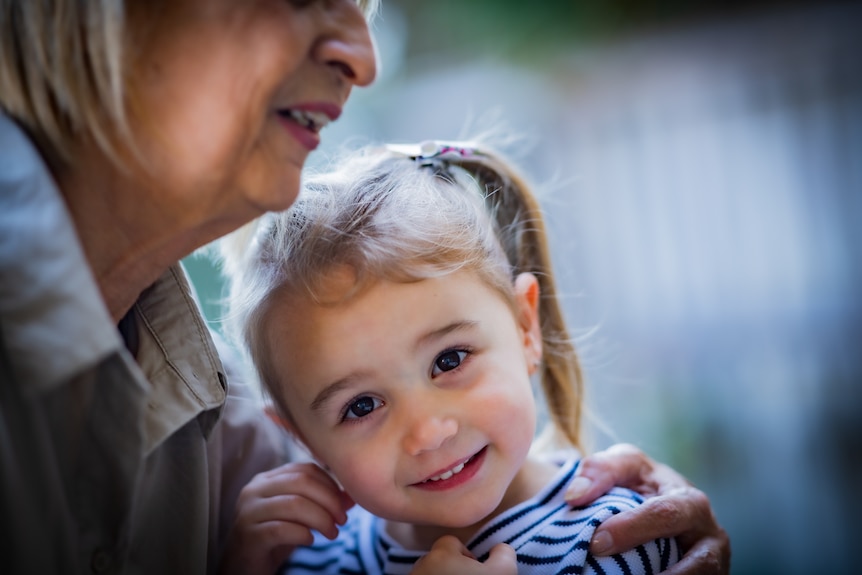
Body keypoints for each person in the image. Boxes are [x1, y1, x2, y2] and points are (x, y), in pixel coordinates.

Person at [0, 0, 728, 574]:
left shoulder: (243, 448)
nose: (365, 57)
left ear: (524, 324)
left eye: (449, 358)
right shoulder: (297, 527)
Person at [214, 140, 684, 574]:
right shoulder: (305, 560)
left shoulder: (618, 540)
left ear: (525, 328)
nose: (427, 432)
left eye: (450, 359)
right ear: (305, 440)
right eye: (361, 406)